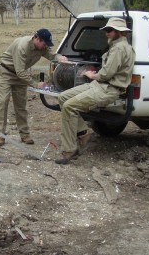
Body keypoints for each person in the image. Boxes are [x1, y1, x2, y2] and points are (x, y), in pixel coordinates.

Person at [55, 17, 136, 164]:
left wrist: (90, 74)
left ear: (120, 32)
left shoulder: (119, 48)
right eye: (106, 30)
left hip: (108, 88)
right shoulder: (117, 46)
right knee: (62, 97)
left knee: (69, 106)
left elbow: (106, 74)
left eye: (109, 30)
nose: (106, 33)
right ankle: (85, 133)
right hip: (100, 85)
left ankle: (69, 149)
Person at [0, 28, 68, 146]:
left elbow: (51, 54)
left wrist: (59, 57)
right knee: (3, 103)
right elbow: (20, 71)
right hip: (6, 73)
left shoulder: (42, 47)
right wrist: (35, 84)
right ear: (37, 39)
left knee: (21, 106)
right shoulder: (22, 47)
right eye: (44, 43)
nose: (45, 46)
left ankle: (24, 134)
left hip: (20, 76)